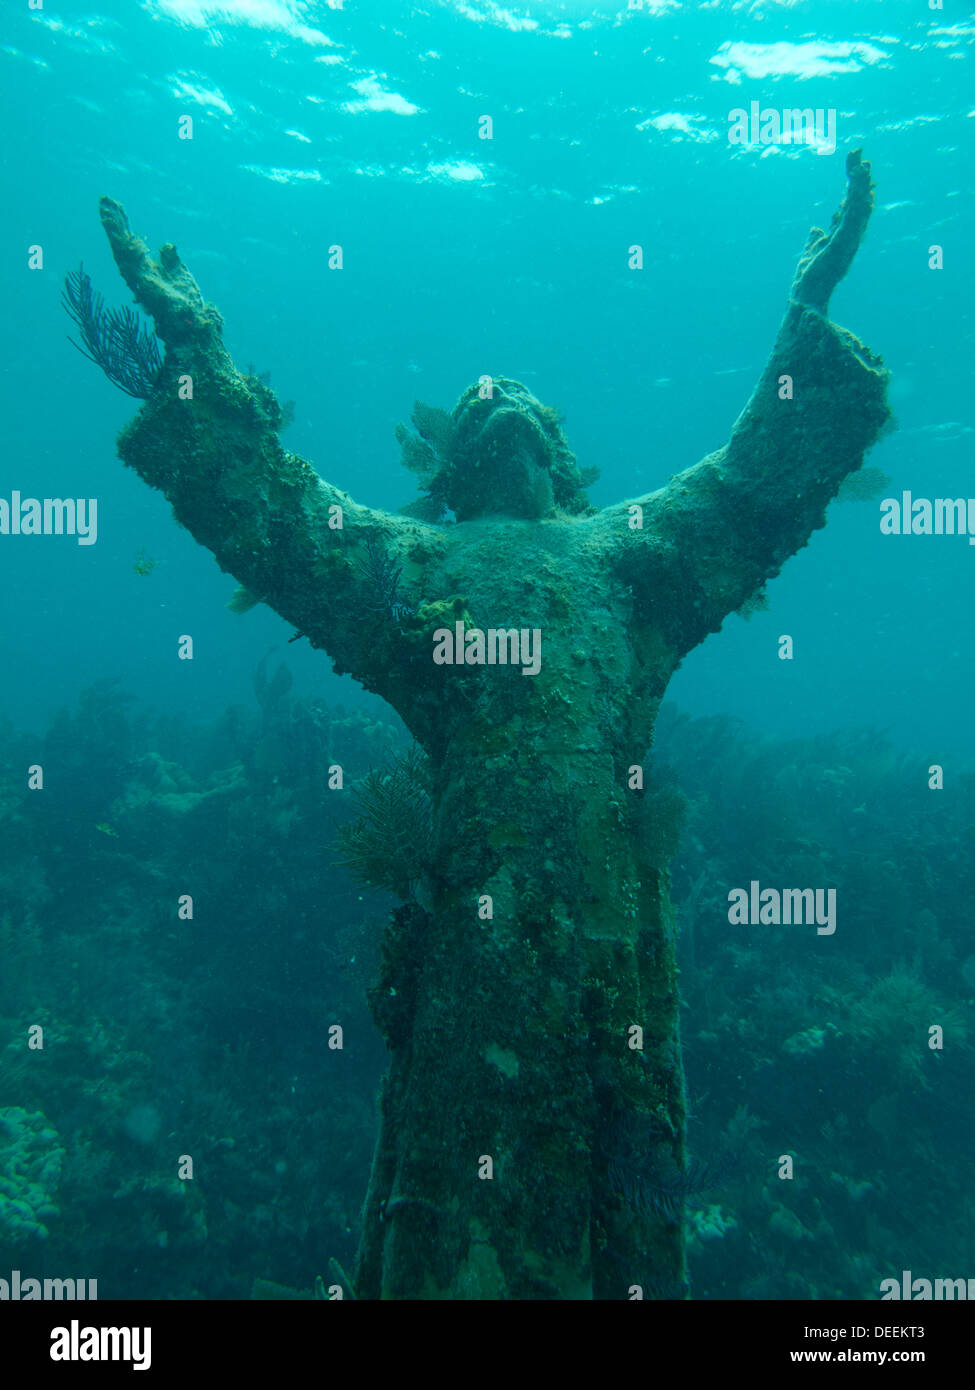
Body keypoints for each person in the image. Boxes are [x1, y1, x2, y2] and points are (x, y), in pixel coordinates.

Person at [96, 151, 888, 1299]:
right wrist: (193, 355)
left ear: (559, 456)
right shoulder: (411, 568)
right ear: (455, 467)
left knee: (629, 1195)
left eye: (517, 394)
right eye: (474, 400)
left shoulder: (633, 554)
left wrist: (804, 312)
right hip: (478, 935)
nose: (494, 395)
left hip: (618, 933)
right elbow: (273, 510)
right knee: (462, 1217)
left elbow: (755, 485)